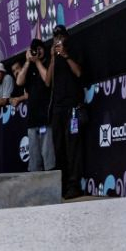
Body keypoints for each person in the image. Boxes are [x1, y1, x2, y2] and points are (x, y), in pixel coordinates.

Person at [49, 26, 87, 199]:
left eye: (60, 37)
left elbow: (79, 73)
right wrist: (51, 59)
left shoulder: (74, 51)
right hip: (57, 108)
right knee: (59, 147)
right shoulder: (53, 58)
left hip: (72, 106)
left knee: (73, 148)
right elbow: (48, 81)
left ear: (66, 38)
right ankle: (62, 185)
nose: (58, 40)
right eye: (56, 37)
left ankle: (74, 185)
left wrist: (65, 55)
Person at [13, 38, 54, 175]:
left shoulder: (48, 63)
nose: (37, 51)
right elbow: (19, 82)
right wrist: (27, 62)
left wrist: (37, 62)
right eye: (35, 49)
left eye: (40, 48)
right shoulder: (29, 67)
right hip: (32, 119)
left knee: (48, 156)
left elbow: (47, 80)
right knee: (35, 159)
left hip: (46, 118)